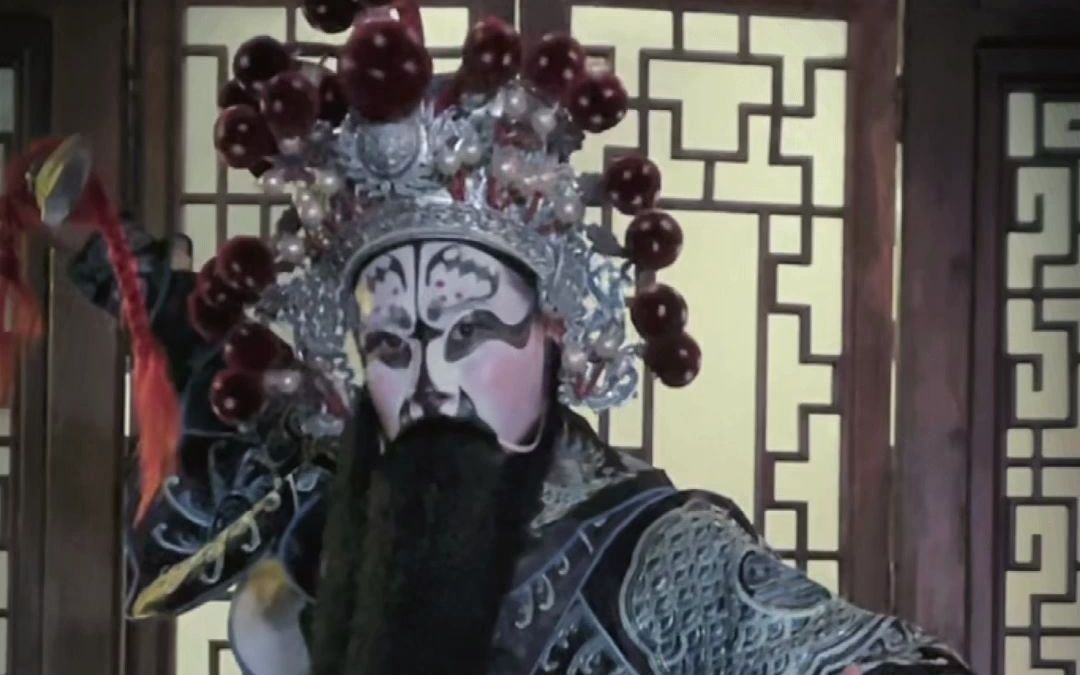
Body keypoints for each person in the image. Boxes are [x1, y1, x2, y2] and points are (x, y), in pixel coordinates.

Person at [13, 3, 974, 674]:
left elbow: (831, 650)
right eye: (392, 344)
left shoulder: (652, 553)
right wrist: (106, 247)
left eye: (471, 327)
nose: (431, 379)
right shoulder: (337, 496)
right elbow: (204, 356)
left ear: (554, 335)